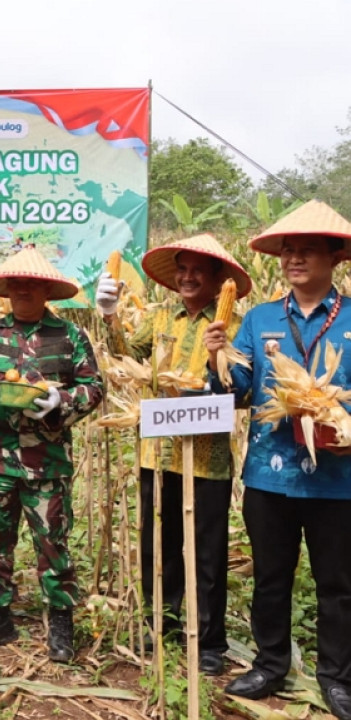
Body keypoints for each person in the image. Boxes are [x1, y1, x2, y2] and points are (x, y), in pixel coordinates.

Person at [205, 200, 351, 720]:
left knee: (338, 582)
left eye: (306, 251)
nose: (293, 259)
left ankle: (336, 677)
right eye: (288, 252)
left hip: (338, 479)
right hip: (270, 474)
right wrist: (217, 356)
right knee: (271, 575)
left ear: (335, 257)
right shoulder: (260, 319)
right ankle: (270, 664)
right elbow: (239, 391)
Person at [95, 235, 251, 675]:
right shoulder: (160, 315)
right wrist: (109, 315)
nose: (187, 277)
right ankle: (159, 623)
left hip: (208, 458)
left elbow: (241, 388)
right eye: (181, 268)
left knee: (207, 550)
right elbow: (127, 356)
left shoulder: (234, 326)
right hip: (157, 452)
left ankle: (208, 640)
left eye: (198, 269)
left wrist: (216, 375)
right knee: (156, 545)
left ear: (220, 278)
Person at [0, 248, 104, 663]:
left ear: (45, 289)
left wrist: (62, 398)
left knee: (52, 542)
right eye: (16, 283)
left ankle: (60, 618)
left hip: (48, 459)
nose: (23, 289)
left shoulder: (69, 335)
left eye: (32, 283)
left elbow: (94, 388)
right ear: (7, 289)